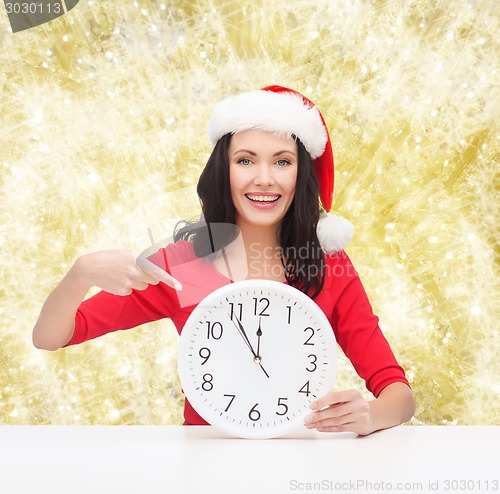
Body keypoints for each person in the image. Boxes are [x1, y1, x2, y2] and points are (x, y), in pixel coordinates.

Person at [33, 85, 415, 435]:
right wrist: (80, 273)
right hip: (204, 464)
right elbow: (50, 337)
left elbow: (397, 391)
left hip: (300, 458)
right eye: (246, 161)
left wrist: (370, 415)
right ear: (224, 171)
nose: (264, 178)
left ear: (301, 175)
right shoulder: (181, 267)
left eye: (282, 162)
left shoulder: (328, 267)